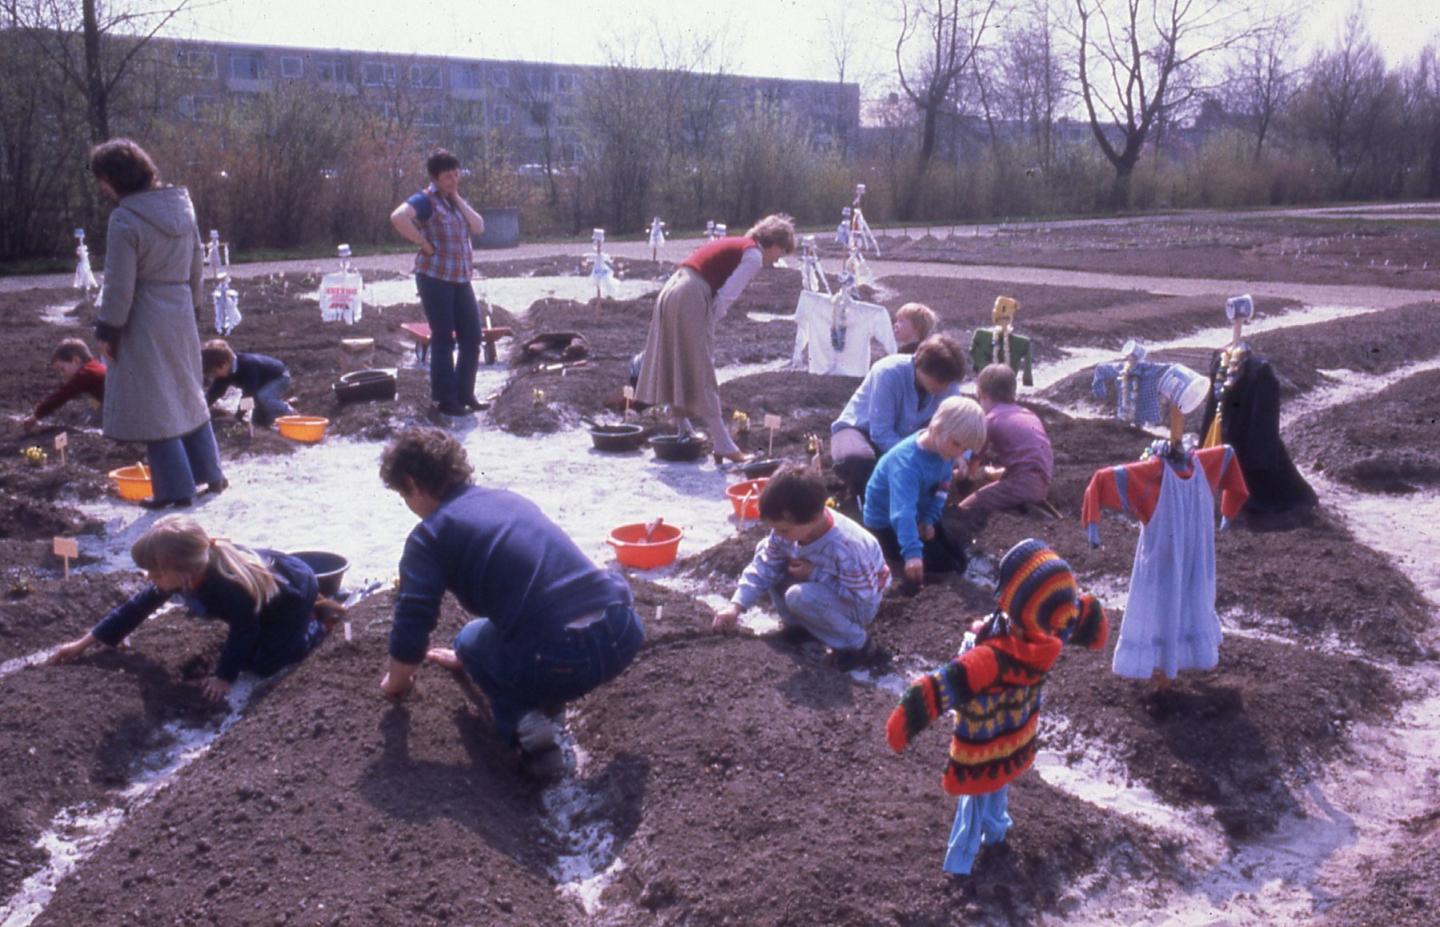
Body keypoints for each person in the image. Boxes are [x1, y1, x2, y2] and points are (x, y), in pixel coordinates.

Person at [376, 427, 644, 780]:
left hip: (560, 656)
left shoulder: (430, 535)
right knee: (486, 640)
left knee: (470, 640)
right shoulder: (508, 499)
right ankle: (548, 696)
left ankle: (529, 730)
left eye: (403, 496)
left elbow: (413, 620)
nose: (409, 507)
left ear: (412, 482)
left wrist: (397, 683)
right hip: (621, 630)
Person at [885, 539, 1107, 875]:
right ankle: (997, 835)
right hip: (1017, 732)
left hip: (981, 743)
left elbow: (940, 687)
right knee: (999, 785)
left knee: (973, 802)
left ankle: (959, 865)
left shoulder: (991, 659)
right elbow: (1089, 619)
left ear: (1015, 605)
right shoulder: (1053, 628)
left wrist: (902, 727)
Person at [48, 515, 339, 702]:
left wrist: (224, 677)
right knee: (247, 656)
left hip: (294, 595)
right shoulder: (183, 574)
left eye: (156, 573)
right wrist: (83, 643)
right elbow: (136, 608)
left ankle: (319, 621)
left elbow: (244, 629)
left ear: (184, 572)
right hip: (266, 595)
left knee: (264, 665)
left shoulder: (226, 586)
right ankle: (307, 617)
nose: (151, 579)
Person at [89, 138, 225, 509]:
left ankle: (175, 491)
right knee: (186, 393)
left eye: (102, 179)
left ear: (116, 177)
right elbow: (197, 264)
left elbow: (119, 284)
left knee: (156, 403)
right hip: (180, 311)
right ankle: (211, 474)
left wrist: (108, 329)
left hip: (143, 316)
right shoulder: (182, 206)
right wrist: (193, 309)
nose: (101, 187)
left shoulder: (125, 217)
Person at [635, 214, 796, 464]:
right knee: (702, 368)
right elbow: (726, 297)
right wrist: (706, 326)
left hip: (672, 288)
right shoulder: (753, 256)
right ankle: (723, 444)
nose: (777, 259)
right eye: (781, 252)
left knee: (675, 359)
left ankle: (684, 429)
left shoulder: (739, 244)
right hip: (690, 294)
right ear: (774, 243)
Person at [712, 466, 890, 670]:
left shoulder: (849, 547)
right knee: (771, 557)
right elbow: (763, 566)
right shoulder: (788, 531)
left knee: (799, 596)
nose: (777, 534)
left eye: (783, 529)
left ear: (814, 519)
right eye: (774, 528)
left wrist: (814, 574)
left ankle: (858, 644)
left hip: (859, 604)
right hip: (827, 589)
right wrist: (736, 606)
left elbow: (861, 596)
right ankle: (800, 629)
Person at [389, 149, 486, 417]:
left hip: (460, 278)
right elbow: (398, 217)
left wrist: (456, 197)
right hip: (434, 278)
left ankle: (465, 393)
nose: (453, 180)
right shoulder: (425, 200)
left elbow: (478, 227)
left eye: (456, 174)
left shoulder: (453, 201)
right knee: (443, 337)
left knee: (473, 336)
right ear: (434, 177)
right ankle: (445, 399)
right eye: (447, 176)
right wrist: (422, 242)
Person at [862, 396, 986, 586]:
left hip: (918, 511)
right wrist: (912, 554)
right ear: (936, 428)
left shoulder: (944, 452)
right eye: (956, 444)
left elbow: (942, 489)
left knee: (958, 557)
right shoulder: (907, 464)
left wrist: (929, 519)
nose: (959, 453)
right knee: (945, 565)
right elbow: (901, 513)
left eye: (965, 448)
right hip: (886, 523)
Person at [829, 334, 967, 501]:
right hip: (860, 430)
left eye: (948, 383)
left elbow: (959, 423)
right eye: (940, 381)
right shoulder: (888, 372)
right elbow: (880, 433)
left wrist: (960, 456)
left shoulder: (947, 382)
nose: (945, 388)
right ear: (920, 365)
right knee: (858, 462)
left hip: (905, 437)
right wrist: (917, 460)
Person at [952, 363, 1054, 543]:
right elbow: (1028, 458)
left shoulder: (990, 420)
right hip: (1043, 479)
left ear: (982, 395)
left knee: (964, 507)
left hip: (1023, 484)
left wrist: (959, 476)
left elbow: (971, 467)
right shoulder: (1028, 413)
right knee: (995, 475)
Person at [201, 339, 295, 427]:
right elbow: (214, 392)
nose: (214, 376)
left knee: (263, 397)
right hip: (260, 384)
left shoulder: (247, 366)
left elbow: (249, 395)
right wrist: (202, 408)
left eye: (214, 372)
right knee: (259, 421)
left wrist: (237, 417)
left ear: (224, 365)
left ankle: (289, 413)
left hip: (279, 377)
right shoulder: (225, 373)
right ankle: (272, 418)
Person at [22, 338, 106, 432]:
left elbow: (61, 396)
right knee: (91, 401)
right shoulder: (94, 366)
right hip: (117, 402)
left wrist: (36, 415)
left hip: (119, 407)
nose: (62, 374)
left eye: (62, 369)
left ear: (76, 360)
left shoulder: (85, 374)